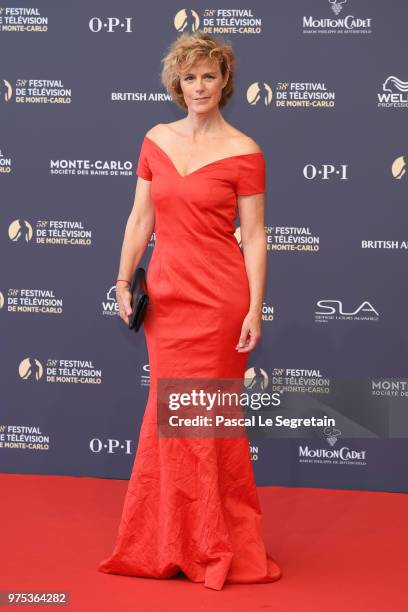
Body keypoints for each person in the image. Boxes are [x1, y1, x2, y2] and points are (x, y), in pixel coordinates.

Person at [97, 30, 282, 591]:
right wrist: (123, 278)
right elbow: (139, 220)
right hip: (169, 301)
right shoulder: (155, 139)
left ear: (224, 81)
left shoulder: (245, 151)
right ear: (176, 83)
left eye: (208, 75)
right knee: (171, 421)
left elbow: (254, 235)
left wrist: (256, 306)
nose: (198, 85)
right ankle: (168, 542)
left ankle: (212, 544)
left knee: (207, 419)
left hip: (220, 302)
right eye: (189, 76)